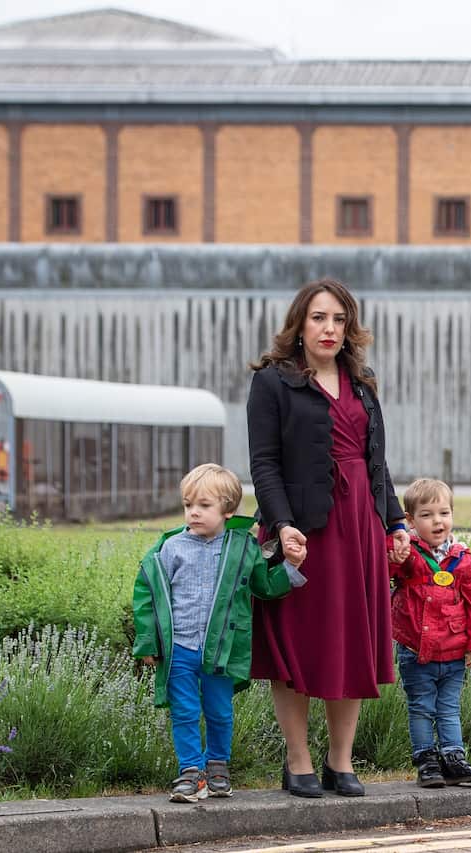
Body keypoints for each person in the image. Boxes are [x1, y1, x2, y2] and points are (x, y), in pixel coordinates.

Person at [246, 278, 411, 798]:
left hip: (360, 527)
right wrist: (282, 523)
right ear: (300, 324)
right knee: (295, 645)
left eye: (339, 319)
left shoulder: (362, 383)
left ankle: (341, 763)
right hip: (303, 532)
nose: (329, 329)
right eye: (319, 318)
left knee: (351, 642)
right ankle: (298, 763)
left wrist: (397, 522)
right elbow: (264, 463)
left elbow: (376, 463)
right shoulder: (272, 382)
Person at [132, 463, 303, 803]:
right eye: (188, 505)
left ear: (228, 510)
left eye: (203, 506)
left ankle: (217, 765)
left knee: (219, 710)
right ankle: (191, 773)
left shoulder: (242, 548)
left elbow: (265, 587)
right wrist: (148, 642)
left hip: (221, 649)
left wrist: (292, 567)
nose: (193, 513)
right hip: (179, 647)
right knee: (183, 710)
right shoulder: (169, 548)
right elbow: (147, 594)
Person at [388, 478, 471, 788]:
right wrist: (395, 555)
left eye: (444, 513)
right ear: (410, 521)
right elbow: (387, 573)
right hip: (417, 650)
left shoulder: (462, 557)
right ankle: (426, 761)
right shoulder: (409, 553)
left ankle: (453, 758)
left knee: (448, 707)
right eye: (427, 515)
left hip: (454, 650)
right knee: (421, 706)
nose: (437, 521)